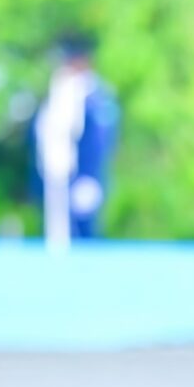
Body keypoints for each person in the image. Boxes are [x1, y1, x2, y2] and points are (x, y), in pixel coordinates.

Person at [33, 35, 118, 242]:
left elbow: (100, 141)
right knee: (59, 229)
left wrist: (90, 175)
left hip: (85, 174)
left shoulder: (96, 96)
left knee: (85, 230)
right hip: (59, 172)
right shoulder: (60, 92)